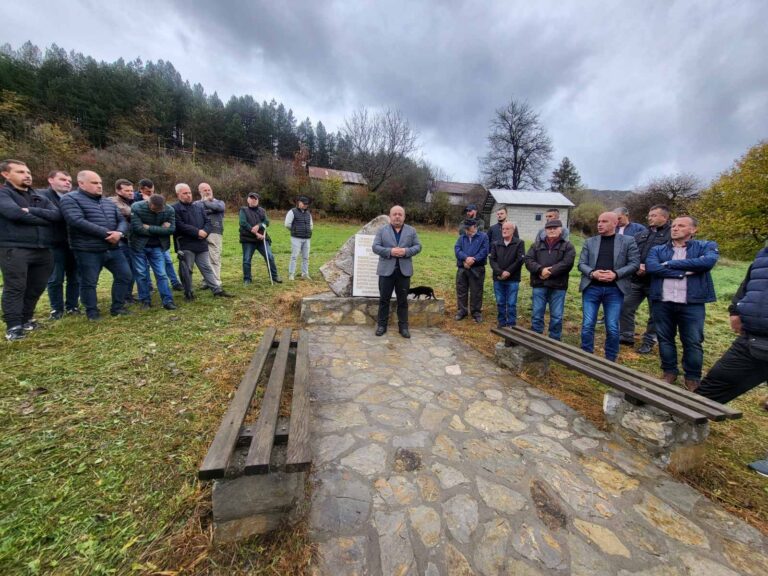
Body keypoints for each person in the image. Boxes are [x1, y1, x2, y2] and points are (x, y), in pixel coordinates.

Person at [697, 247, 768, 477]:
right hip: (750, 339)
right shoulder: (763, 255)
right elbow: (747, 284)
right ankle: (685, 418)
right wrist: (734, 310)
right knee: (716, 381)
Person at [646, 216, 719, 390]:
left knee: (693, 340)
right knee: (664, 338)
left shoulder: (705, 246)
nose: (675, 228)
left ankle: (692, 377)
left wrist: (671, 264)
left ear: (693, 230)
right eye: (674, 225)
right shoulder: (658, 249)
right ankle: (669, 372)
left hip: (691, 303)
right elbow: (652, 267)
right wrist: (684, 272)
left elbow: (707, 262)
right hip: (663, 301)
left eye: (681, 226)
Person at [0, 159, 60, 341]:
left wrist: (30, 212)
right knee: (16, 286)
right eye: (20, 172)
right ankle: (13, 326)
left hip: (42, 248)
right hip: (14, 247)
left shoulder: (39, 197)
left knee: (36, 286)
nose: (27, 175)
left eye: (28, 172)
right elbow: (14, 214)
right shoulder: (3, 194)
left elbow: (57, 215)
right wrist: (43, 217)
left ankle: (26, 319)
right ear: (5, 174)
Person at [60, 170, 132, 321]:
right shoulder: (70, 199)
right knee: (89, 281)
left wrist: (119, 233)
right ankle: (92, 312)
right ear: (81, 183)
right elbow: (76, 221)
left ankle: (117, 307)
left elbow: (122, 221)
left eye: (100, 182)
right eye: (94, 183)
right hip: (88, 249)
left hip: (113, 248)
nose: (99, 186)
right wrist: (107, 234)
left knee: (125, 275)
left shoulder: (107, 202)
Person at [578, 212, 640, 361]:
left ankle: (610, 358)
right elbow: (581, 264)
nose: (600, 224)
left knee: (612, 326)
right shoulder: (590, 241)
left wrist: (616, 274)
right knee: (587, 324)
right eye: (599, 221)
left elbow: (634, 264)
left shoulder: (628, 241)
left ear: (615, 223)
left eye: (604, 221)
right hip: (592, 287)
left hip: (614, 290)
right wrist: (593, 273)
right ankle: (586, 355)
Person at [619, 205, 672, 353]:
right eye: (649, 215)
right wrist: (636, 266)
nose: (650, 217)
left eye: (654, 215)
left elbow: (670, 258)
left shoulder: (671, 236)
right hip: (636, 280)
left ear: (665, 217)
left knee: (655, 314)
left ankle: (649, 341)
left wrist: (648, 267)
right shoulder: (642, 234)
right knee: (625, 306)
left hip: (657, 281)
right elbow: (632, 252)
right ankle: (626, 335)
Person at [172, 183, 232, 300]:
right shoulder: (174, 209)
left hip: (201, 244)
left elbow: (208, 221)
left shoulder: (198, 207)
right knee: (187, 270)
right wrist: (197, 232)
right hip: (186, 244)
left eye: (189, 193)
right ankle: (188, 293)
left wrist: (205, 231)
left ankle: (217, 290)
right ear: (178, 194)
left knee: (207, 268)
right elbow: (180, 225)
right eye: (185, 193)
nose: (188, 195)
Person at [372, 205, 422, 338]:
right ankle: (382, 325)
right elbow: (375, 247)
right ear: (390, 216)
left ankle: (403, 327)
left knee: (403, 301)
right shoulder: (382, 230)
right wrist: (390, 251)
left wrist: (406, 251)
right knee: (384, 300)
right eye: (395, 214)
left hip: (403, 272)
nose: (397, 216)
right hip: (386, 271)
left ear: (404, 217)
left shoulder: (411, 231)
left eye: (400, 214)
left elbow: (418, 247)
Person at [524, 218, 576, 340]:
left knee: (557, 316)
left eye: (555, 228)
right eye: (549, 228)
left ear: (561, 230)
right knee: (537, 314)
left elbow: (567, 263)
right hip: (539, 284)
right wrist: (540, 270)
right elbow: (528, 260)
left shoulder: (568, 246)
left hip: (558, 286)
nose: (552, 230)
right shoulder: (536, 245)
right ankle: (535, 338)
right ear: (545, 230)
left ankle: (554, 340)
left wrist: (550, 272)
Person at [41, 170, 80, 319]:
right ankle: (56, 309)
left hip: (74, 243)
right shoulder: (42, 197)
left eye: (69, 180)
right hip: (54, 243)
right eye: (63, 179)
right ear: (51, 180)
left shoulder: (74, 197)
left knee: (74, 277)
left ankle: (72, 306)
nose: (67, 182)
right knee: (55, 278)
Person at [130, 194, 177, 310]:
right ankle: (145, 300)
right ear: (149, 204)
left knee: (161, 274)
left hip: (157, 246)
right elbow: (137, 228)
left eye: (159, 210)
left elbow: (171, 229)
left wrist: (149, 227)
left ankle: (168, 301)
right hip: (139, 246)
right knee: (141, 274)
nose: (157, 212)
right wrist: (161, 229)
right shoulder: (136, 207)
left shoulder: (169, 210)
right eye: (154, 209)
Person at [138, 178, 183, 291]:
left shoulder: (157, 200)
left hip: (160, 240)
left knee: (167, 260)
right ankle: (148, 286)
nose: (151, 194)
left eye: (152, 191)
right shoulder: (136, 202)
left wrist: (153, 227)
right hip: (143, 241)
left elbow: (168, 223)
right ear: (141, 190)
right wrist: (159, 227)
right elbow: (138, 224)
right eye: (148, 192)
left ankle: (175, 282)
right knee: (145, 266)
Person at [240, 192, 281, 284]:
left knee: (270, 257)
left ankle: (274, 276)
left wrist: (259, 226)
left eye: (255, 198)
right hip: (248, 239)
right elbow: (243, 223)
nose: (253, 200)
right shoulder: (243, 210)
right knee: (246, 259)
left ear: (258, 200)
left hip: (262, 239)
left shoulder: (262, 210)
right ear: (248, 200)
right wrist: (255, 232)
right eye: (251, 198)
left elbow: (266, 222)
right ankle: (247, 279)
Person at [489, 221, 524, 328]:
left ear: (513, 230)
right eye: (503, 229)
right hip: (498, 279)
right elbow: (492, 260)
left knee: (511, 303)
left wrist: (508, 272)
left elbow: (519, 260)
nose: (504, 230)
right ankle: (502, 323)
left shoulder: (519, 243)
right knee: (500, 302)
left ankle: (511, 325)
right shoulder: (496, 243)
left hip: (513, 279)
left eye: (507, 229)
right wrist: (500, 272)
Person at [454, 218, 489, 323]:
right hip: (462, 267)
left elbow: (484, 251)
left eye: (468, 228)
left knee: (476, 291)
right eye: (465, 229)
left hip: (477, 268)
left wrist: (473, 260)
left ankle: (476, 312)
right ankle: (462, 311)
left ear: (474, 227)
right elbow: (457, 249)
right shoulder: (462, 237)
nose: (466, 231)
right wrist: (465, 258)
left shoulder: (483, 237)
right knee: (461, 290)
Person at [109, 179, 137, 304]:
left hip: (132, 240)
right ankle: (123, 297)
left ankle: (128, 295)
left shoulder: (132, 202)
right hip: (121, 241)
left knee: (132, 268)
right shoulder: (113, 201)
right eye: (127, 190)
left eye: (131, 190)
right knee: (124, 271)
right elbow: (127, 212)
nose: (131, 193)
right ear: (118, 191)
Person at [195, 182, 225, 289]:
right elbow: (196, 212)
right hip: (201, 232)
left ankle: (216, 281)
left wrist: (206, 202)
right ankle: (207, 281)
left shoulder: (220, 202)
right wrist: (208, 208)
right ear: (200, 192)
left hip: (215, 232)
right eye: (204, 190)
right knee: (204, 259)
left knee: (215, 257)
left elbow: (218, 208)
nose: (207, 192)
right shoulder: (196, 203)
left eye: (209, 190)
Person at [285, 195, 313, 281]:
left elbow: (311, 225)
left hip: (307, 238)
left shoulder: (308, 213)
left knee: (306, 257)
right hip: (296, 238)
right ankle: (291, 274)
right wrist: (295, 230)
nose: (305, 205)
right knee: (294, 256)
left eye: (306, 204)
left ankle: (305, 273)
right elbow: (287, 224)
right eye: (304, 203)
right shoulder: (292, 212)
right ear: (299, 203)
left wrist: (308, 231)